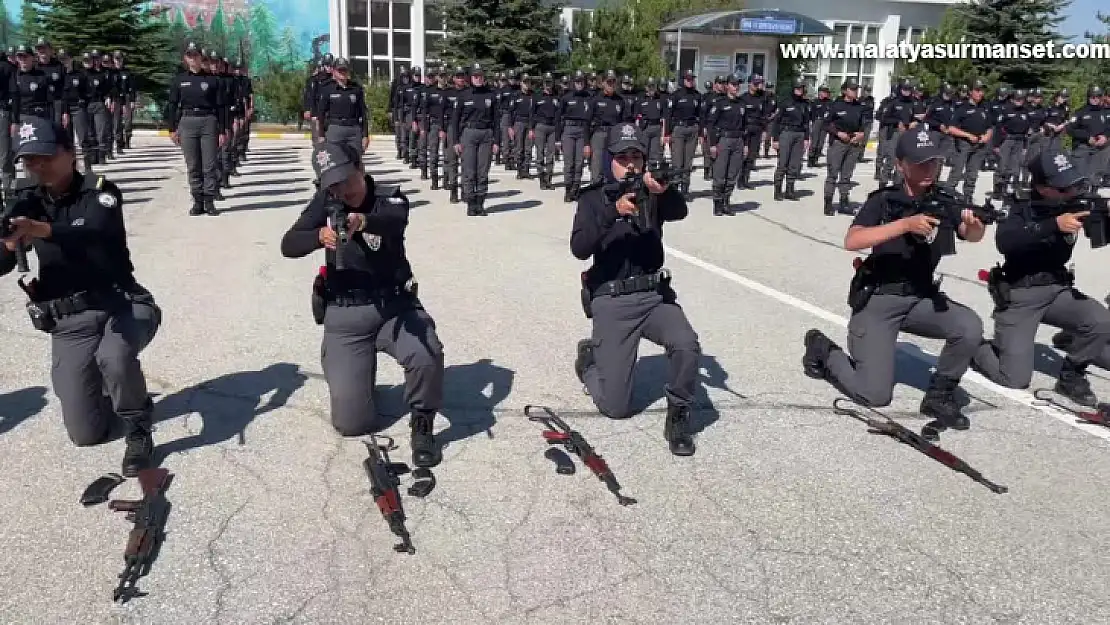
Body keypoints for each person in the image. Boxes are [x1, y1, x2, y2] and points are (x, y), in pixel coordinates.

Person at [0, 117, 161, 476]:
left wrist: (37, 229)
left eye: (44, 157)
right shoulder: (25, 201)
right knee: (85, 433)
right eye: (29, 161)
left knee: (114, 357)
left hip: (123, 304)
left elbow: (92, 232)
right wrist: (7, 239)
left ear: (70, 153)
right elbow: (3, 263)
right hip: (71, 320)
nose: (37, 166)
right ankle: (109, 393)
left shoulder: (100, 191)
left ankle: (138, 427)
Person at [802, 130, 987, 439]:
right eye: (921, 164)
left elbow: (972, 234)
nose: (930, 170)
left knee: (969, 326)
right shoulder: (885, 201)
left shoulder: (945, 199)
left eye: (935, 163)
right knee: (874, 395)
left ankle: (939, 396)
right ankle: (823, 349)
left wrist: (974, 226)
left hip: (920, 298)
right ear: (901, 165)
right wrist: (904, 225)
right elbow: (853, 240)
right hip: (879, 301)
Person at [280, 144, 444, 468]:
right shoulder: (326, 203)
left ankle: (423, 423)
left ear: (360, 166)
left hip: (396, 307)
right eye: (333, 184)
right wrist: (318, 236)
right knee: (352, 424)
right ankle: (357, 379)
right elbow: (288, 244)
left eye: (346, 179)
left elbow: (393, 220)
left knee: (427, 354)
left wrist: (361, 221)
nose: (343, 190)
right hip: (345, 314)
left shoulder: (389, 198)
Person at [570, 123, 701, 456]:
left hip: (653, 296)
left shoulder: (653, 190)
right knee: (615, 407)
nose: (630, 163)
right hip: (612, 299)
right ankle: (589, 363)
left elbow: (680, 211)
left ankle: (679, 413)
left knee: (686, 343)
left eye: (635, 156)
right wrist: (613, 213)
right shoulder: (593, 197)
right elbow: (580, 247)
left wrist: (662, 190)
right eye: (622, 156)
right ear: (609, 160)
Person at [972, 149, 1110, 407]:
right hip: (1020, 294)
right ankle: (975, 348)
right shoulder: (1020, 206)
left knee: (1101, 321)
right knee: (1013, 378)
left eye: (1074, 184)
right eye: (1063, 188)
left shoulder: (1078, 203)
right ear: (1043, 187)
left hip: (1058, 290)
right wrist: (1053, 225)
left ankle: (1071, 376)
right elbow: (1006, 242)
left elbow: (1100, 236)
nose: (1072, 191)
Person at [166, 42, 226, 216]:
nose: (193, 59)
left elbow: (221, 106)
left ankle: (209, 201)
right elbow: (172, 105)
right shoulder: (180, 80)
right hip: (187, 121)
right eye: (190, 55)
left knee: (209, 164)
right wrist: (172, 128)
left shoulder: (212, 80)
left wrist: (222, 130)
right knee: (193, 165)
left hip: (208, 121)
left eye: (196, 55)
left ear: (201, 57)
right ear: (185, 58)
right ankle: (197, 201)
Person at [452, 64, 499, 216]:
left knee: (483, 171)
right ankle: (471, 204)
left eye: (480, 76)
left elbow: (496, 120)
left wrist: (497, 141)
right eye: (475, 76)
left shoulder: (491, 95)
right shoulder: (464, 95)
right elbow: (455, 120)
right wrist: (455, 141)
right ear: (471, 78)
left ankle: (480, 203)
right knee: (469, 171)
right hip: (469, 134)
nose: (478, 78)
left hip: (486, 134)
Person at [821, 78, 868, 215]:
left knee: (846, 175)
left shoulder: (859, 106)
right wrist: (838, 133)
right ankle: (828, 203)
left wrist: (861, 134)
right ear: (845, 90)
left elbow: (863, 125)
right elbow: (825, 124)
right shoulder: (836, 105)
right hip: (838, 142)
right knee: (832, 174)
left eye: (856, 89)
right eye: (852, 89)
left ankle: (843, 201)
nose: (855, 92)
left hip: (853, 143)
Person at [315, 57, 369, 168]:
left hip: (353, 130)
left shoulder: (356, 89)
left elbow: (363, 114)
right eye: (340, 70)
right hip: (335, 129)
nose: (343, 73)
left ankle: (359, 184)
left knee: (356, 163)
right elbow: (321, 115)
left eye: (345, 70)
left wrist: (365, 135)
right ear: (334, 71)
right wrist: (321, 135)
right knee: (332, 162)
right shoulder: (327, 89)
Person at [705, 73, 747, 216]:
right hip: (724, 140)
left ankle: (726, 201)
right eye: (734, 84)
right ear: (727, 85)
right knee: (720, 173)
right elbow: (711, 124)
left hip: (738, 141)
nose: (736, 87)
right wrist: (712, 144)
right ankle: (717, 203)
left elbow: (745, 125)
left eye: (738, 84)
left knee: (732, 174)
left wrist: (745, 144)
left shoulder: (741, 104)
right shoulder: (720, 103)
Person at [945, 79, 993, 203]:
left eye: (982, 90)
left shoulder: (985, 108)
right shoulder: (962, 107)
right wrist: (967, 135)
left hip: (979, 145)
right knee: (957, 171)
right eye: (977, 90)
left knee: (972, 174)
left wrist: (987, 136)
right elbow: (951, 128)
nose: (980, 93)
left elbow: (989, 127)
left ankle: (968, 198)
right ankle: (947, 196)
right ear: (971, 92)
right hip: (964, 144)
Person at [770, 77, 811, 201]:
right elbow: (776, 121)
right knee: (782, 163)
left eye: (801, 88)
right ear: (793, 88)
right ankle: (778, 190)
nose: (800, 90)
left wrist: (806, 138)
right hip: (786, 133)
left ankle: (789, 190)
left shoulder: (805, 104)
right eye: (798, 88)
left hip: (799, 134)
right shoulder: (785, 102)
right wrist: (775, 139)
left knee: (794, 164)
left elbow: (806, 122)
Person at [557, 70, 591, 202]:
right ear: (573, 82)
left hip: (582, 130)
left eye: (581, 81)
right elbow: (558, 118)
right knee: (569, 162)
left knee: (579, 163)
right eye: (577, 81)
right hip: (569, 130)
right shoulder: (566, 97)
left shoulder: (588, 97)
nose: (579, 84)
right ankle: (568, 189)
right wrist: (558, 139)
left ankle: (575, 189)